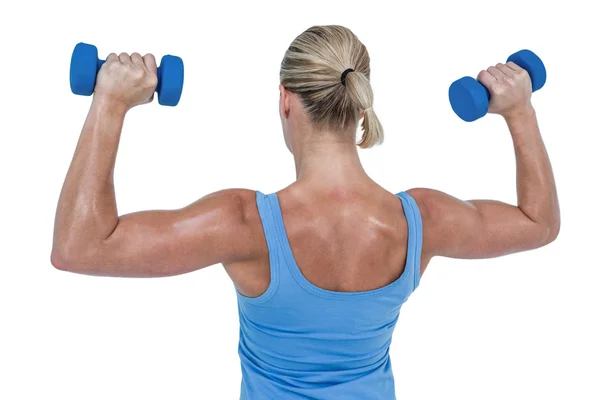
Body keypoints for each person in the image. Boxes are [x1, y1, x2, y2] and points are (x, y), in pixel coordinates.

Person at [51, 25, 560, 399]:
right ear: (360, 104)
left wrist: (109, 102)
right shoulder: (420, 221)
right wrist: (519, 109)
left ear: (285, 101)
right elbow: (539, 223)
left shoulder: (242, 224)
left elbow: (79, 247)